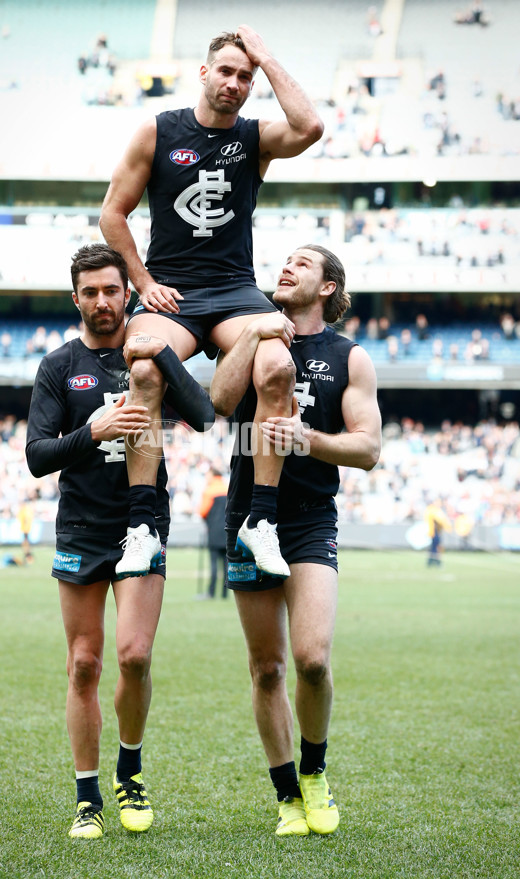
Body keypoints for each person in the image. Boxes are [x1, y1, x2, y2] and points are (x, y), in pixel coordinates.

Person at [99, 26, 323, 582]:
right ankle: (143, 526)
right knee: (145, 369)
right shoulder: (157, 132)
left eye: (245, 76)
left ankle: (261, 521)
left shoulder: (252, 138)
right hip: (171, 289)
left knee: (277, 364)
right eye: (226, 71)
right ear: (204, 73)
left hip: (234, 289)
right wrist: (143, 281)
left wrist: (267, 57)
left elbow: (310, 127)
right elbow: (112, 215)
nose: (236, 83)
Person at [25, 243, 214, 840]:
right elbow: (36, 457)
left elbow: (205, 415)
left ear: (127, 292)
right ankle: (87, 797)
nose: (103, 301)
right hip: (81, 526)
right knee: (84, 664)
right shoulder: (58, 366)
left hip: (143, 523)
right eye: (91, 292)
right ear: (75, 297)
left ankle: (129, 772)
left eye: (112, 289)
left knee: (135, 656)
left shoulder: (150, 352)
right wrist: (91, 431)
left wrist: (161, 349)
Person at [210, 244, 382, 837]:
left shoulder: (350, 357)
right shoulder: (250, 332)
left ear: (329, 287)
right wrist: (254, 335)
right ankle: (286, 795)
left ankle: (315, 772)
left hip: (309, 518)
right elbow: (219, 402)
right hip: (247, 514)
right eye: (285, 260)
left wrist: (306, 439)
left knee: (311, 660)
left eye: (303, 263)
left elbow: (368, 449)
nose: (287, 267)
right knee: (266, 669)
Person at [198, 467, 229, 599]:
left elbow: (202, 511)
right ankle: (224, 593)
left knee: (214, 564)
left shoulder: (209, 491)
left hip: (214, 532)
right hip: (227, 531)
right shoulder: (227, 489)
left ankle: (211, 592)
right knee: (226, 564)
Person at [424, 498, 452, 566]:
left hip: (436, 531)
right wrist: (447, 527)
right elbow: (440, 520)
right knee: (436, 547)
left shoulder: (434, 510)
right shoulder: (433, 510)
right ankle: (435, 561)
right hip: (434, 532)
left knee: (434, 547)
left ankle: (431, 561)